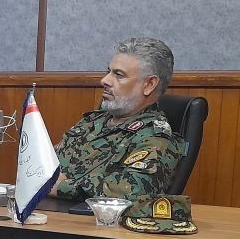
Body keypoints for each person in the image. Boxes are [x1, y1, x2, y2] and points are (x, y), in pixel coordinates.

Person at [51, 37, 186, 202]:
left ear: (149, 84)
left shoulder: (155, 138)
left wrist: (61, 186)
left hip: (87, 217)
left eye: (119, 75)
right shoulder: (93, 121)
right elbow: (47, 162)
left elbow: (131, 192)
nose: (104, 80)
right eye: (108, 72)